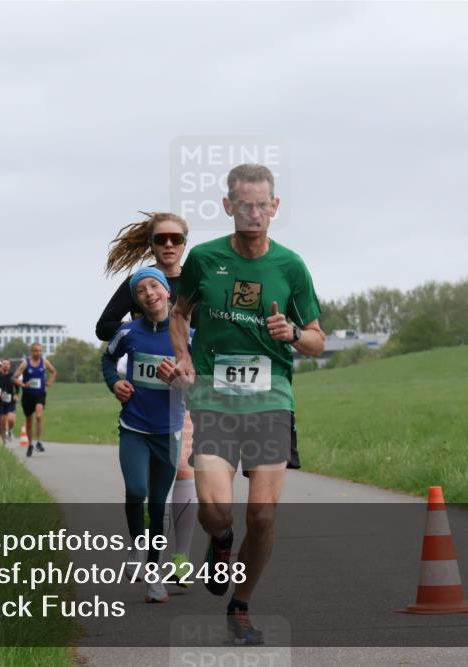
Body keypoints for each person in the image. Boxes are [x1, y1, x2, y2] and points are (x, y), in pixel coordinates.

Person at [167, 164, 325, 645]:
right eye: (245, 204)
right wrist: (183, 359)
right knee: (217, 510)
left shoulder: (291, 266)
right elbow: (179, 313)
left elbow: (317, 340)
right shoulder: (204, 258)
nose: (254, 213)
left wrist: (294, 333)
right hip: (214, 395)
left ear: (275, 208)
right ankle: (219, 540)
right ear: (228, 206)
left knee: (262, 515)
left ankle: (241, 606)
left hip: (271, 398)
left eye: (263, 205)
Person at [96, 211, 199, 584]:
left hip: (188, 382)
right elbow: (104, 329)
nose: (169, 245)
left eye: (176, 239)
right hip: (146, 396)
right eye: (161, 240)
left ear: (185, 243)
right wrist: (142, 319)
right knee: (147, 488)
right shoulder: (138, 283)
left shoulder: (197, 278)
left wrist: (189, 332)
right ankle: (142, 550)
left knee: (185, 470)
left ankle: (181, 557)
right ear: (152, 245)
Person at [101, 267, 190, 604]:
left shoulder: (187, 336)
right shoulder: (129, 332)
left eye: (155, 286)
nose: (149, 293)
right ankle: (137, 547)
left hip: (168, 431)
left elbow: (198, 382)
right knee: (136, 490)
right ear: (136, 300)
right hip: (134, 428)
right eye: (140, 290)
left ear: (168, 292)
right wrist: (115, 383)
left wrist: (180, 380)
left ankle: (155, 576)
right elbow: (107, 361)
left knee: (158, 504)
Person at [14, 342, 57, 456]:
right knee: (29, 421)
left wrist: (50, 382)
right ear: (31, 351)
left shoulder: (44, 362)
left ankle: (38, 442)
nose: (38, 353)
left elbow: (53, 371)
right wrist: (23, 385)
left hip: (40, 394)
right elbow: (14, 378)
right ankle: (30, 444)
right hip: (27, 396)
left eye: (39, 351)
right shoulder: (25, 363)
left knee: (38, 416)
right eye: (35, 351)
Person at [0, 359, 18, 442]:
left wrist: (16, 394)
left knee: (11, 419)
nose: (6, 365)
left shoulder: (13, 376)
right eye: (4, 363)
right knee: (2, 422)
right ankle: (3, 440)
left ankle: (10, 430)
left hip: (11, 400)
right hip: (0, 401)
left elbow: (17, 386)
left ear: (10, 366)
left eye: (7, 364)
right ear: (1, 366)